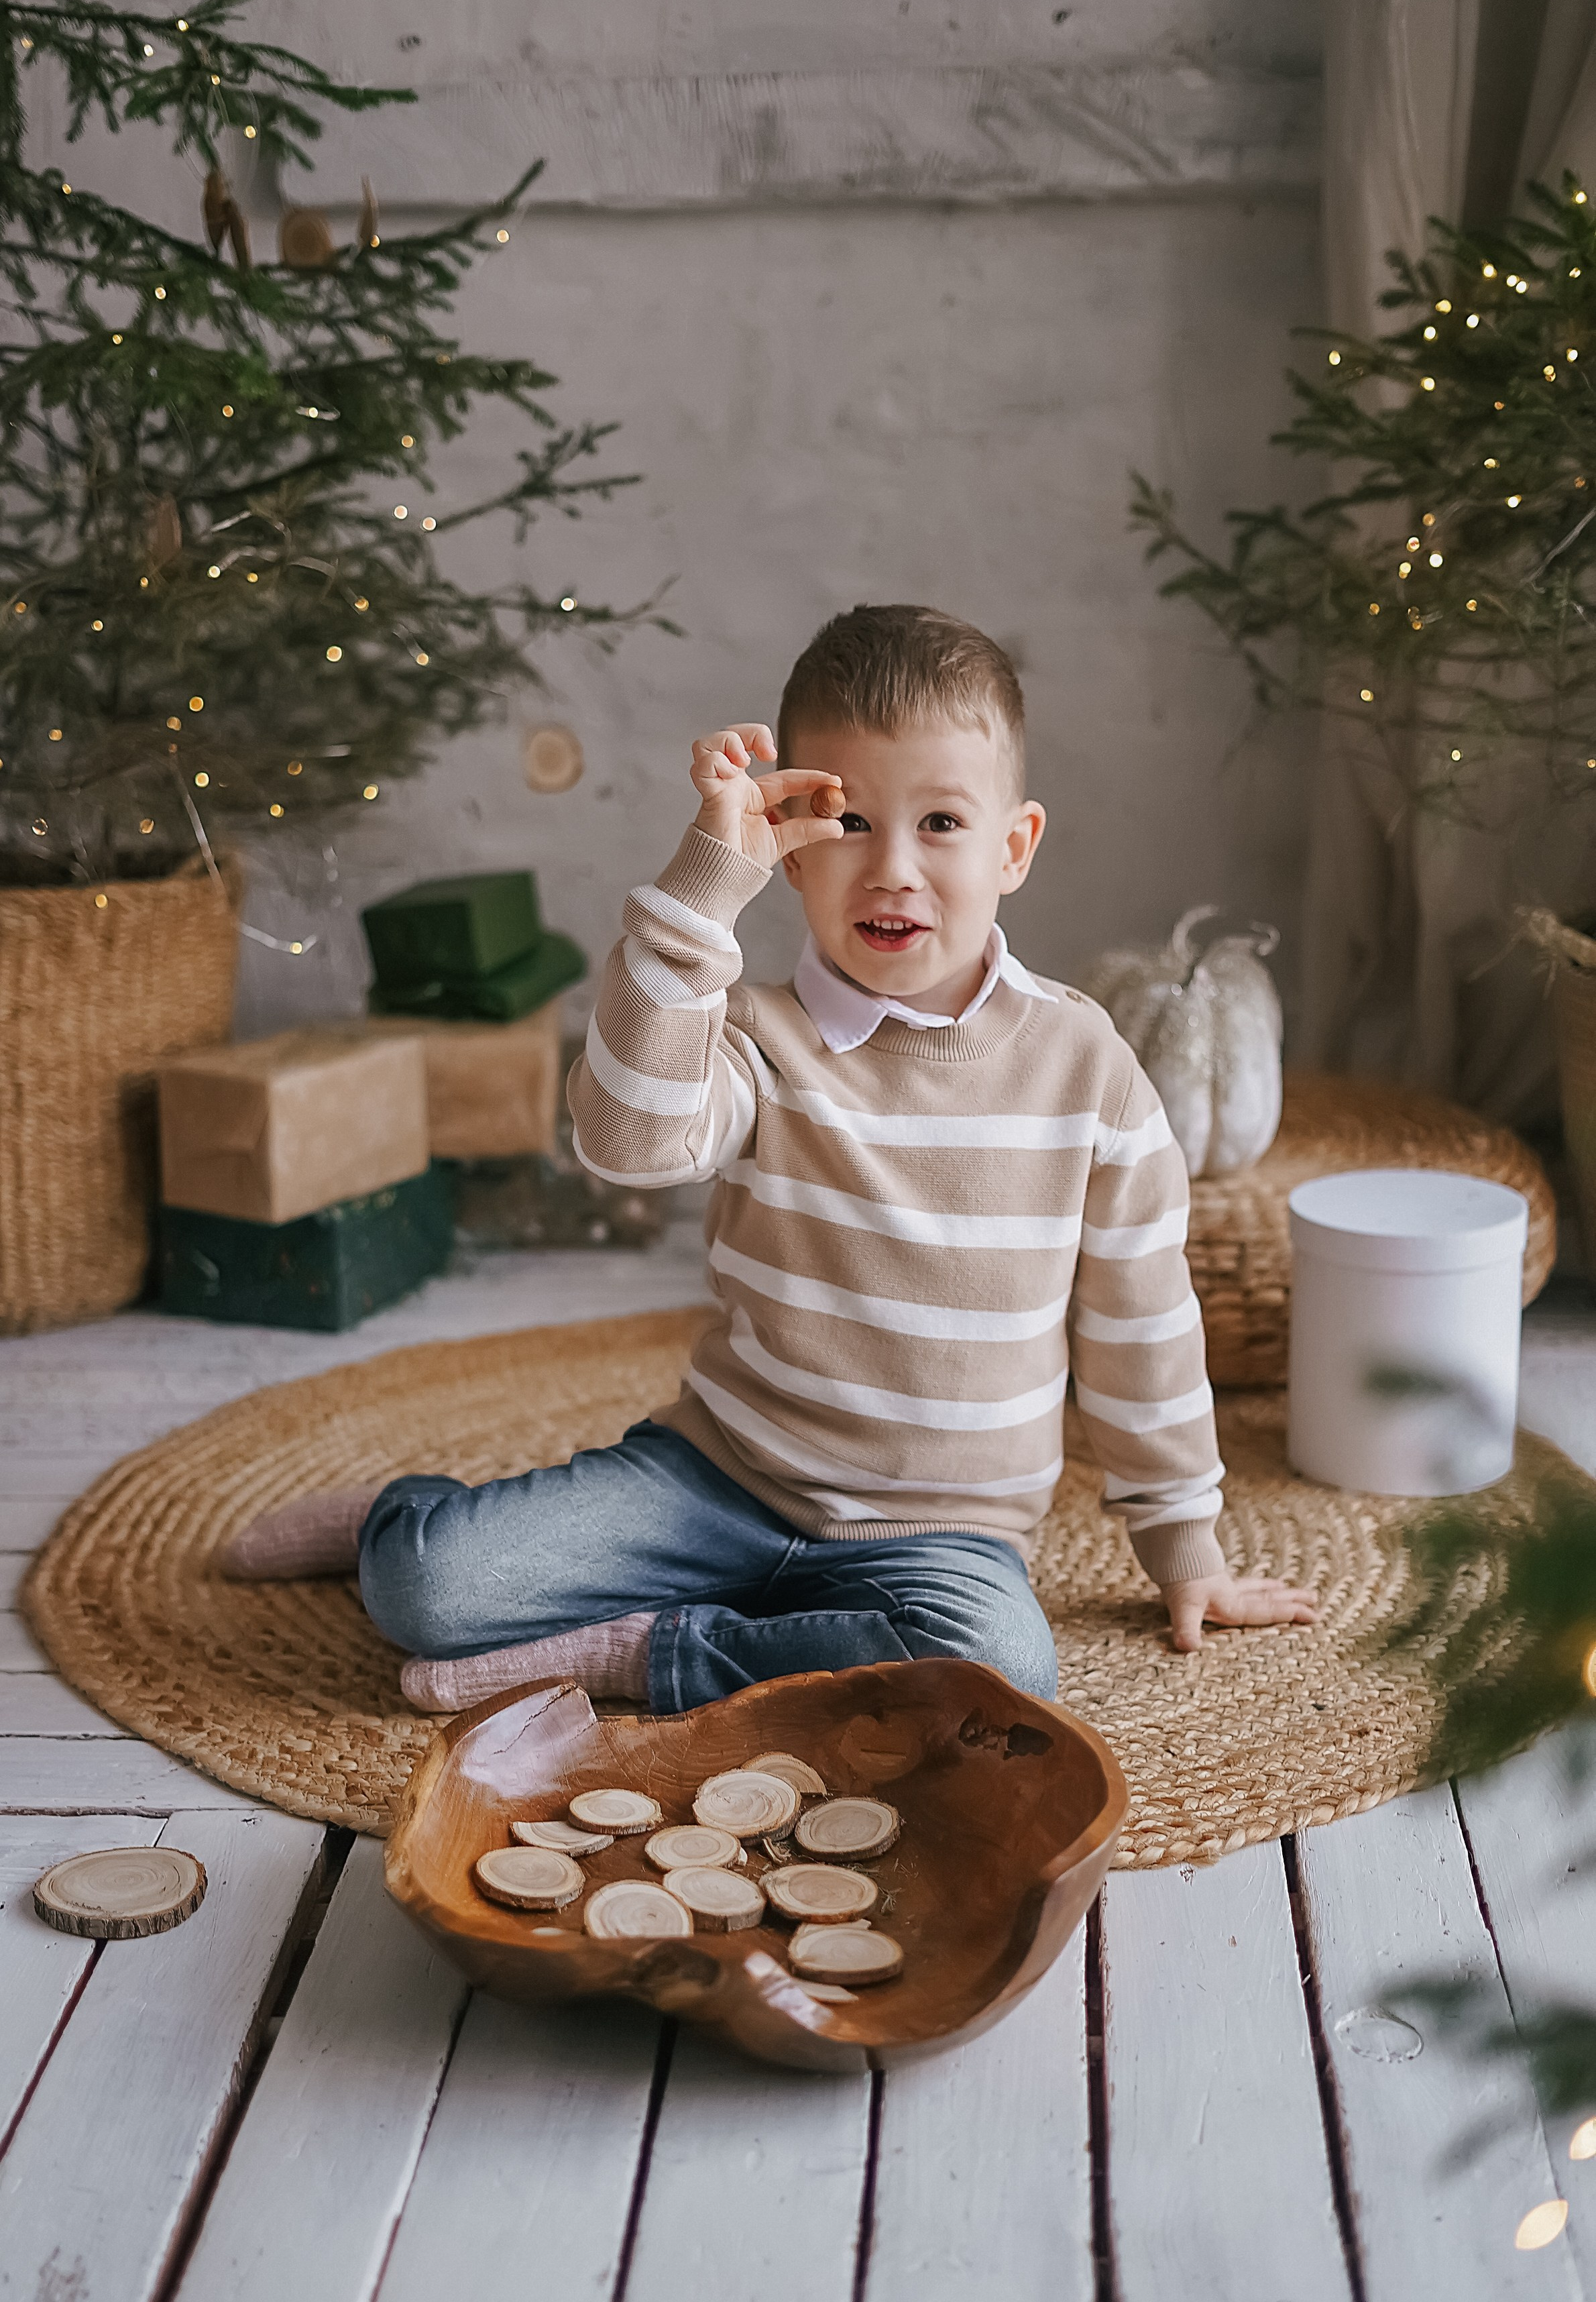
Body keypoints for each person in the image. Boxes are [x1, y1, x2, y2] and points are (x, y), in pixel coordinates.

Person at [227, 604, 1316, 1709]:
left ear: (1014, 847)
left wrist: (1184, 1543)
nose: (893, 868)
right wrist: (706, 883)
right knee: (428, 1587)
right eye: (850, 823)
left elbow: (1143, 1321)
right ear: (790, 846)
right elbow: (624, 1140)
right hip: (718, 1481)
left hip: (941, 1536)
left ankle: (641, 1652)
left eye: (941, 822)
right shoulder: (753, 1035)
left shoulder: (1088, 1068)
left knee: (997, 1671)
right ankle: (397, 1517)